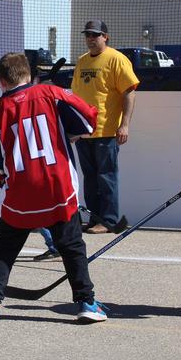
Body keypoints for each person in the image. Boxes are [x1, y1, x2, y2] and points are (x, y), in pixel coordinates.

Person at [0, 52, 107, 326]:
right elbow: (88, 119)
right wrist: (70, 132)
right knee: (72, 246)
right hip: (59, 187)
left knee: (4, 248)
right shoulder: (51, 93)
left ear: (1, 81)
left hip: (20, 191)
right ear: (29, 74)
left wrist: (1, 179)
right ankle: (86, 302)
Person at [71, 20, 138, 235]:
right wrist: (74, 127)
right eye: (88, 35)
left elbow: (129, 92)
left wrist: (124, 125)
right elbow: (76, 97)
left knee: (106, 177)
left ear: (105, 37)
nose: (90, 39)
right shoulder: (82, 61)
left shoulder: (116, 59)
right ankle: (95, 219)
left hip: (106, 131)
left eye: (95, 35)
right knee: (90, 179)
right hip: (84, 131)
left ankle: (109, 220)